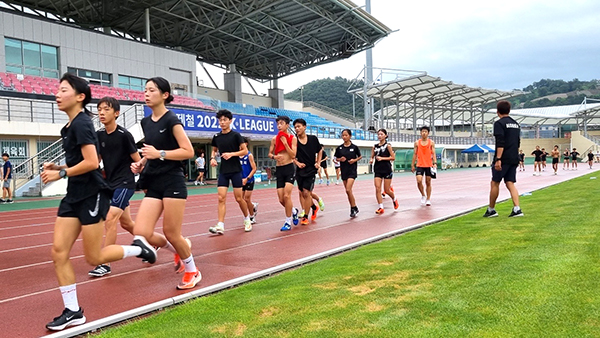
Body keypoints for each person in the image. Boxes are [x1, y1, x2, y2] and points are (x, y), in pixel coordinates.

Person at [41, 73, 156, 331]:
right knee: (59, 252)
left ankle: (140, 249)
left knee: (94, 257)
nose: (57, 95)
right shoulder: (69, 127)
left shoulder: (82, 124)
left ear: (80, 97)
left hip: (92, 194)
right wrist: (59, 165)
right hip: (73, 196)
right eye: (57, 90)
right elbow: (81, 161)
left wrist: (59, 173)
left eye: (63, 90)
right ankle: (73, 311)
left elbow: (92, 163)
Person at [89, 97, 174, 278]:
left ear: (116, 113)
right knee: (126, 223)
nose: (101, 113)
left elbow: (138, 161)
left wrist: (144, 182)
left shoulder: (124, 135)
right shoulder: (99, 135)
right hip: (109, 184)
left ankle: (105, 262)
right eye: (99, 109)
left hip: (125, 183)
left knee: (110, 219)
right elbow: (96, 161)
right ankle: (149, 243)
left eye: (106, 109)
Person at [131, 76, 201, 291]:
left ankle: (192, 271)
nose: (146, 93)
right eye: (145, 90)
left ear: (165, 95)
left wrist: (159, 153)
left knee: (171, 232)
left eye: (151, 90)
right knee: (141, 232)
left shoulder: (172, 120)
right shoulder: (145, 122)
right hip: (154, 180)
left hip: (173, 179)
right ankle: (180, 249)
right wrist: (142, 161)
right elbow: (152, 148)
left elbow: (187, 151)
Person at [208, 109, 252, 233]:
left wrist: (232, 154)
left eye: (224, 120)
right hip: (223, 171)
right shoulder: (216, 136)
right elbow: (214, 150)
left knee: (239, 198)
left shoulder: (236, 135)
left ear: (230, 121)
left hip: (236, 170)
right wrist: (212, 158)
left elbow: (244, 151)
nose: (222, 122)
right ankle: (220, 225)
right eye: (220, 120)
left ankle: (247, 218)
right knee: (221, 198)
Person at [484, 100, 523, 218]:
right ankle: (517, 208)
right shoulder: (516, 124)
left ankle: (491, 209)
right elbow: (517, 142)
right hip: (514, 157)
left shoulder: (499, 124)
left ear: (497, 112)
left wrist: (498, 159)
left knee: (495, 182)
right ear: (509, 110)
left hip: (503, 158)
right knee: (510, 182)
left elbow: (500, 142)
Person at [268, 115, 299, 231]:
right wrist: (274, 156)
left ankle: (287, 222)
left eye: (281, 123)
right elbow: (269, 154)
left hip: (289, 168)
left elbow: (293, 155)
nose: (279, 126)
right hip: (279, 170)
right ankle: (294, 211)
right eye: (278, 124)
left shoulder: (292, 138)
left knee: (287, 196)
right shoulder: (274, 139)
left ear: (287, 125)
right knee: (281, 199)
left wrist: (285, 143)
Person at [293, 118, 323, 225]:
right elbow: (292, 156)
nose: (297, 129)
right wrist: (298, 163)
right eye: (295, 127)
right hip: (300, 171)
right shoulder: (294, 141)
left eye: (299, 126)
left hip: (311, 170)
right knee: (302, 193)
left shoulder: (313, 139)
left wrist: (318, 163)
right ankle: (314, 207)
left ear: (304, 127)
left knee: (306, 192)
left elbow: (320, 150)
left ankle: (305, 216)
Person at [334, 129, 362, 217]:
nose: (344, 137)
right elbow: (335, 159)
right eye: (343, 135)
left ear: (350, 136)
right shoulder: (339, 148)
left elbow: (360, 156)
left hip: (352, 171)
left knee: (348, 189)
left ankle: (353, 207)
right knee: (348, 192)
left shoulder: (354, 147)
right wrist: (339, 159)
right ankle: (354, 208)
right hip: (344, 171)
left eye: (346, 135)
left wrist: (354, 160)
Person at [370, 129, 398, 214]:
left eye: (381, 134)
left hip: (386, 169)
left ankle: (394, 198)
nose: (379, 136)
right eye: (378, 134)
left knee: (387, 189)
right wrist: (371, 160)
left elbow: (393, 158)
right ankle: (380, 207)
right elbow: (372, 156)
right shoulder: (374, 147)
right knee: (377, 188)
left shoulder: (388, 146)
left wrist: (382, 158)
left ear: (385, 135)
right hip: (377, 169)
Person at [411, 126, 436, 206]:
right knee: (419, 180)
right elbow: (415, 154)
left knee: (428, 182)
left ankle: (428, 199)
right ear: (420, 133)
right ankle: (423, 195)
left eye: (425, 131)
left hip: (429, 164)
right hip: (420, 164)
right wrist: (412, 165)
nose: (424, 133)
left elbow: (433, 153)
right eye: (422, 131)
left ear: (428, 133)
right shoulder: (417, 143)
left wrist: (435, 163)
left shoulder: (431, 142)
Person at [240, 137, 258, 224]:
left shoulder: (249, 155)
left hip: (249, 180)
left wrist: (247, 178)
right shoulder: (237, 156)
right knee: (241, 199)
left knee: (247, 199)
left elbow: (254, 169)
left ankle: (252, 216)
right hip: (240, 180)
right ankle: (253, 205)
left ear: (246, 144)